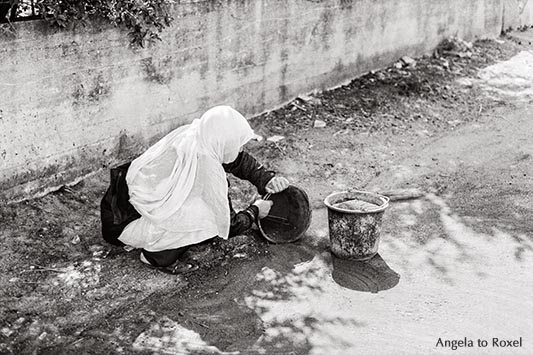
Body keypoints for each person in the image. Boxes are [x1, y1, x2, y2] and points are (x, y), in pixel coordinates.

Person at [100, 105, 289, 274]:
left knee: (204, 211)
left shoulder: (197, 134)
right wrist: (255, 211)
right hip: (123, 225)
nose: (239, 149)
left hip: (115, 206)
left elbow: (235, 159)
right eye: (237, 144)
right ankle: (156, 256)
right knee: (212, 217)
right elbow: (229, 224)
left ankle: (165, 239)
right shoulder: (206, 165)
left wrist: (265, 179)